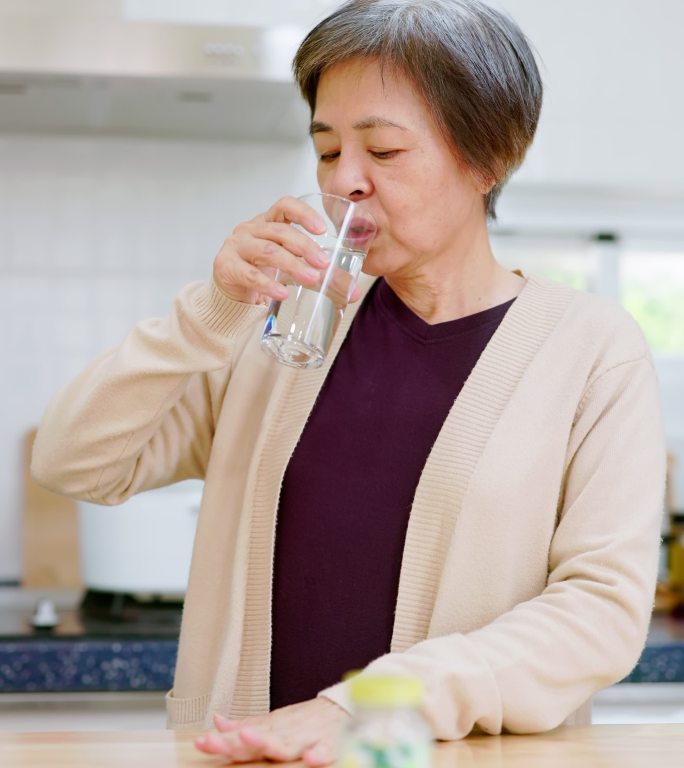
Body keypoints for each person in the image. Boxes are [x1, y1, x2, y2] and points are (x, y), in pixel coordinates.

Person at [32, 0, 665, 764]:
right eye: (328, 151)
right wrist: (213, 310)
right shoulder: (279, 331)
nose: (346, 181)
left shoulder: (592, 350)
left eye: (385, 152)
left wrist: (365, 709)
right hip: (244, 756)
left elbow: (598, 613)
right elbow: (74, 460)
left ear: (488, 157)